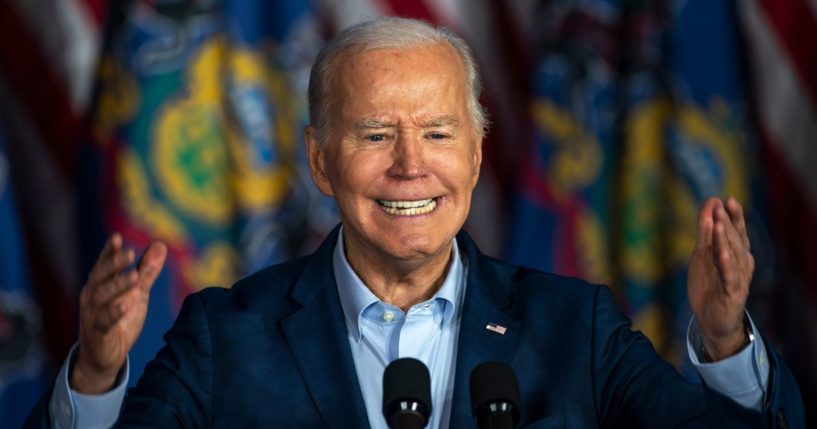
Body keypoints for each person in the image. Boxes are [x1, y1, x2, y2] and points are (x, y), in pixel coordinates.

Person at [27, 17, 803, 428]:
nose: (410, 166)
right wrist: (95, 376)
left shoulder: (577, 330)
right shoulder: (225, 337)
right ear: (320, 160)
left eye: (436, 134)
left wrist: (726, 341)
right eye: (374, 135)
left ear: (474, 154)